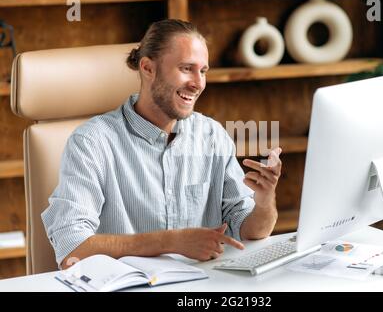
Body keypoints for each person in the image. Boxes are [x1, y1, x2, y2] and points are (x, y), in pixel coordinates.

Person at [42, 19, 282, 269]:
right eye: (186, 68)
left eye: (203, 71)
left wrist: (265, 201)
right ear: (147, 68)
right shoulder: (92, 142)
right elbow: (72, 248)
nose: (198, 83)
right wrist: (171, 241)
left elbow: (250, 231)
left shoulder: (212, 135)